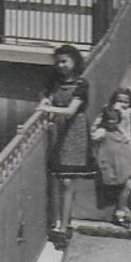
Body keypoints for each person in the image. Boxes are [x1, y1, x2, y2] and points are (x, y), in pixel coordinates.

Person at [36, 43, 92, 246]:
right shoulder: (55, 82)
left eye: (65, 61)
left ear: (74, 61)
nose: (61, 66)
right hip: (58, 132)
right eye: (58, 62)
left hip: (74, 133)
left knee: (67, 181)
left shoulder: (81, 84)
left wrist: (45, 109)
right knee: (61, 180)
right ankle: (65, 222)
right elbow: (46, 97)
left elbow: (70, 111)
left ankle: (62, 227)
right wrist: (44, 102)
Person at [91, 104, 131, 227]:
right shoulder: (102, 132)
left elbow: (128, 145)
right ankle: (121, 215)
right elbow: (93, 136)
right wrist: (98, 121)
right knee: (125, 188)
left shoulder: (119, 131)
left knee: (130, 187)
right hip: (111, 167)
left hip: (124, 165)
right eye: (108, 119)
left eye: (113, 119)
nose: (111, 122)